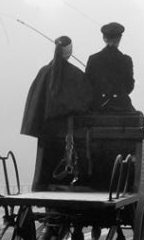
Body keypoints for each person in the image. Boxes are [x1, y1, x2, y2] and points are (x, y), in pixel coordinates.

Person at [20, 36, 93, 190]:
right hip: (71, 135)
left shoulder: (43, 72)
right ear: (70, 52)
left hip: (47, 135)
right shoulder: (76, 74)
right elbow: (86, 103)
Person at [85, 22, 136, 112]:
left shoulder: (93, 59)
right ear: (119, 38)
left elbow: (88, 84)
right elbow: (130, 85)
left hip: (97, 107)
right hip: (122, 107)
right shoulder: (126, 60)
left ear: (104, 38)